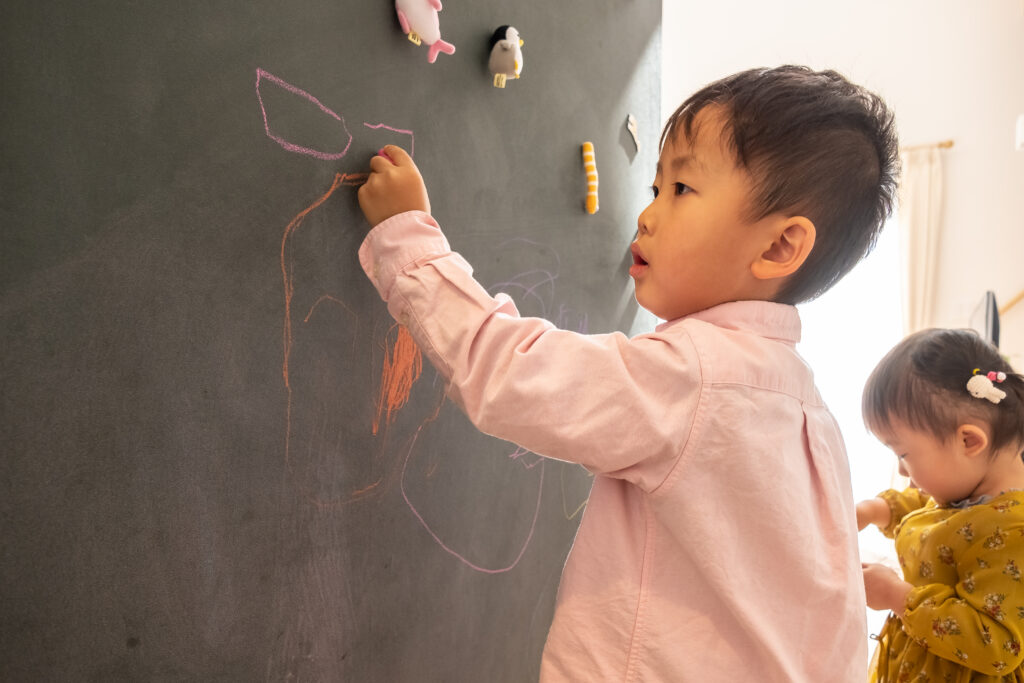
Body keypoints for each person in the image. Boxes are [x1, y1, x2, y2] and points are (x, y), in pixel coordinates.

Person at [356, 65, 899, 680]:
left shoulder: (692, 377)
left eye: (682, 190)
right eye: (655, 187)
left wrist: (408, 243)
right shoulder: (810, 413)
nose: (646, 216)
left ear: (778, 247)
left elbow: (508, 372)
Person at [857, 328, 1024, 682]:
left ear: (969, 441)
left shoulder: (1013, 531)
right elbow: (934, 508)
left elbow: (995, 646)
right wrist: (875, 510)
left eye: (903, 453)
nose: (902, 470)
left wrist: (897, 597)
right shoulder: (969, 493)